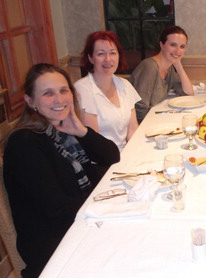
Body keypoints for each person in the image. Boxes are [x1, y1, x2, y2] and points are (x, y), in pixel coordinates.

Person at [3, 63, 120, 277]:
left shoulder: (63, 130)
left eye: (63, 90)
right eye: (48, 94)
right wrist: (108, 207)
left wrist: (82, 131)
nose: (59, 99)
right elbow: (56, 208)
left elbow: (113, 157)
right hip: (56, 245)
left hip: (80, 224)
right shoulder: (25, 142)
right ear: (31, 101)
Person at [75, 31, 141, 151]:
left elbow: (132, 129)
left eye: (112, 53)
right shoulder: (83, 90)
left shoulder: (125, 85)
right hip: (101, 160)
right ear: (90, 58)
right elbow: (94, 141)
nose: (108, 59)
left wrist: (135, 155)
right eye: (101, 54)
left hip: (125, 154)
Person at [129, 25, 194, 123]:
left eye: (182, 47)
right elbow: (139, 109)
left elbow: (188, 93)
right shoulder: (150, 67)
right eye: (173, 45)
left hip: (153, 118)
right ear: (161, 45)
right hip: (138, 125)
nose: (177, 51)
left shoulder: (169, 68)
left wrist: (178, 66)